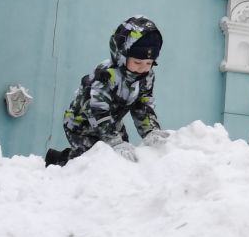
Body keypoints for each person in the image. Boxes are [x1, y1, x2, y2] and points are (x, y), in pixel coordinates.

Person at [44, 16, 168, 167]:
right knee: (92, 159)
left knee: (123, 158)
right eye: (137, 62)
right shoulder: (106, 74)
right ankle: (58, 159)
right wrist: (114, 141)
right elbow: (97, 109)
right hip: (81, 124)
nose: (143, 67)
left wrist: (150, 131)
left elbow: (142, 105)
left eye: (149, 63)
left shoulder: (145, 77)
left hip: (112, 122)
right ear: (122, 55)